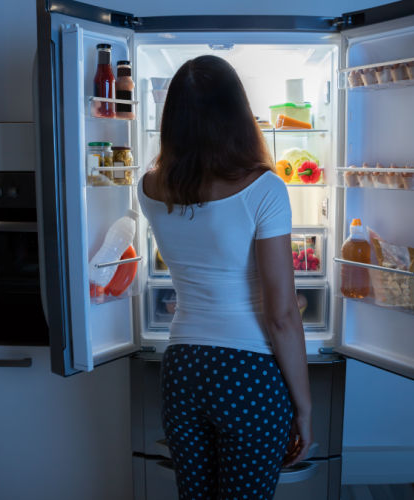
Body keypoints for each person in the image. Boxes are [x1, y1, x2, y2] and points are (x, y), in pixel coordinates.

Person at [138, 55, 312, 499]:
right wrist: (304, 407)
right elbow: (282, 316)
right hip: (247, 373)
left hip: (181, 369)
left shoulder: (150, 187)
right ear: (238, 114)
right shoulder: (264, 189)